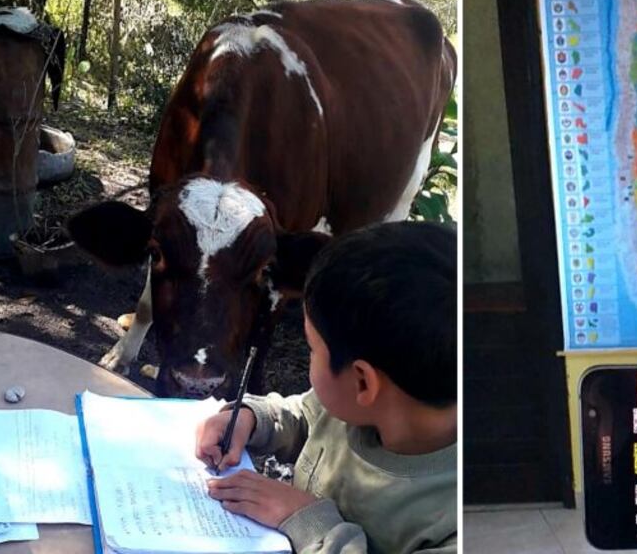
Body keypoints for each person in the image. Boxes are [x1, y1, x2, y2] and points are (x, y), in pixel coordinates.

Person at [196, 221, 457, 553]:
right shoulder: (354, 409)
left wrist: (306, 520)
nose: (310, 357)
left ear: (363, 381)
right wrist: (251, 419)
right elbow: (306, 415)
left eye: (312, 348)